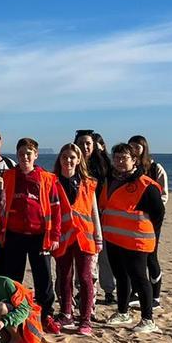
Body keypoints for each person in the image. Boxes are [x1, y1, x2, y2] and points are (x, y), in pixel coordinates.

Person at [0, 137, 65, 335]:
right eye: (21, 154)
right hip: (14, 235)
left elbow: (56, 208)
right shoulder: (9, 176)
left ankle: (46, 315)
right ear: (16, 155)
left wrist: (54, 236)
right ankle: (14, 314)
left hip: (39, 236)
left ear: (36, 155)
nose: (25, 157)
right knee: (13, 278)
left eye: (29, 153)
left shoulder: (47, 178)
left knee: (43, 278)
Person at [102, 143, 165, 334]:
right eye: (117, 158)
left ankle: (147, 319)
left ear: (134, 160)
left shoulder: (146, 185)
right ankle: (123, 311)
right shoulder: (109, 181)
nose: (120, 162)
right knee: (121, 277)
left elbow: (158, 214)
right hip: (114, 239)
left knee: (140, 279)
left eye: (125, 158)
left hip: (137, 241)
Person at [53, 144, 102, 336]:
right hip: (63, 238)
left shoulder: (88, 183)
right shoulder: (53, 181)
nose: (68, 160)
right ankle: (66, 313)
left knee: (85, 277)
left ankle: (86, 319)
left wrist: (99, 238)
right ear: (60, 159)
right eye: (65, 156)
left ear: (79, 159)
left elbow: (93, 211)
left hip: (85, 237)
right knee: (64, 276)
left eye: (72, 157)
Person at [129, 134, 168, 308]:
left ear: (144, 148)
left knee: (151, 256)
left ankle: (156, 295)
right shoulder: (129, 169)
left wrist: (151, 210)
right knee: (135, 257)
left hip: (151, 220)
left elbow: (163, 195)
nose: (135, 150)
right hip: (132, 220)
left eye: (137, 147)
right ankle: (136, 292)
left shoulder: (155, 168)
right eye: (132, 147)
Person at [76, 130, 114, 303]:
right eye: (81, 143)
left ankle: (108, 290)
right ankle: (82, 289)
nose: (85, 147)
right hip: (80, 217)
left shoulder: (104, 165)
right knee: (82, 255)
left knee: (103, 255)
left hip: (101, 215)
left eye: (88, 144)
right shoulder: (71, 163)